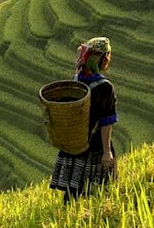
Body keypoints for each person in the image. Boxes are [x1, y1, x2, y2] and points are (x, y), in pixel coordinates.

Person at [49, 36, 118, 203]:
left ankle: (67, 221)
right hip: (94, 145)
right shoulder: (104, 87)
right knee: (98, 192)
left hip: (75, 141)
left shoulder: (77, 80)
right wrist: (107, 152)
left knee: (72, 192)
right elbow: (106, 121)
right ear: (101, 59)